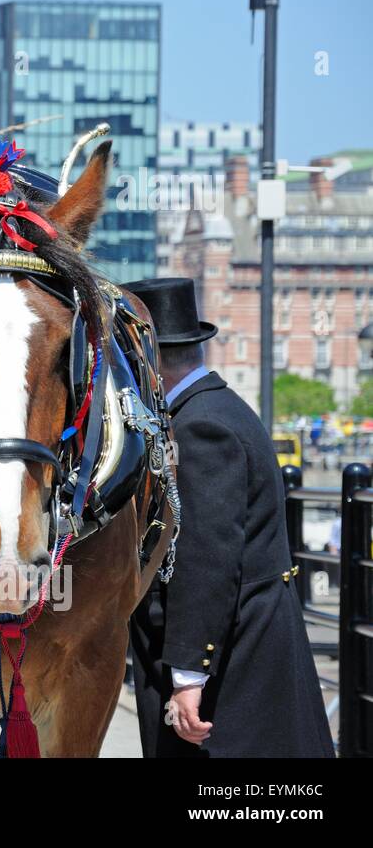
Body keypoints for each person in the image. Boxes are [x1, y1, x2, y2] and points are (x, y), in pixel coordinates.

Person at [123, 278, 332, 757]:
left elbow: (207, 560)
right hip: (249, 652)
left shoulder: (200, 427)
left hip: (234, 672)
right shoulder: (215, 408)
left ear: (146, 361)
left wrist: (188, 676)